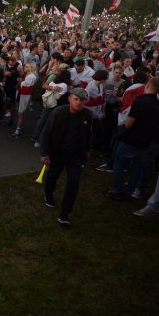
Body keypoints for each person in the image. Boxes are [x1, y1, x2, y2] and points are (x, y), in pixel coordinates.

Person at [40, 88, 93, 226]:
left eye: (82, 100)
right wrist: (45, 152)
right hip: (58, 152)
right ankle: (49, 194)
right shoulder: (58, 112)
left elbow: (88, 134)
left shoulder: (87, 114)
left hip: (76, 155)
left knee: (74, 183)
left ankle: (65, 213)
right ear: (70, 98)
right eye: (76, 99)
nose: (79, 103)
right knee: (53, 175)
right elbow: (46, 133)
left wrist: (87, 150)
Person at [107, 77, 159, 200]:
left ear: (146, 86)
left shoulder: (140, 101)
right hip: (146, 141)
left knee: (119, 163)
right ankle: (129, 190)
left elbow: (129, 124)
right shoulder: (158, 104)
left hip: (131, 139)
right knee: (138, 167)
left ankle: (117, 190)